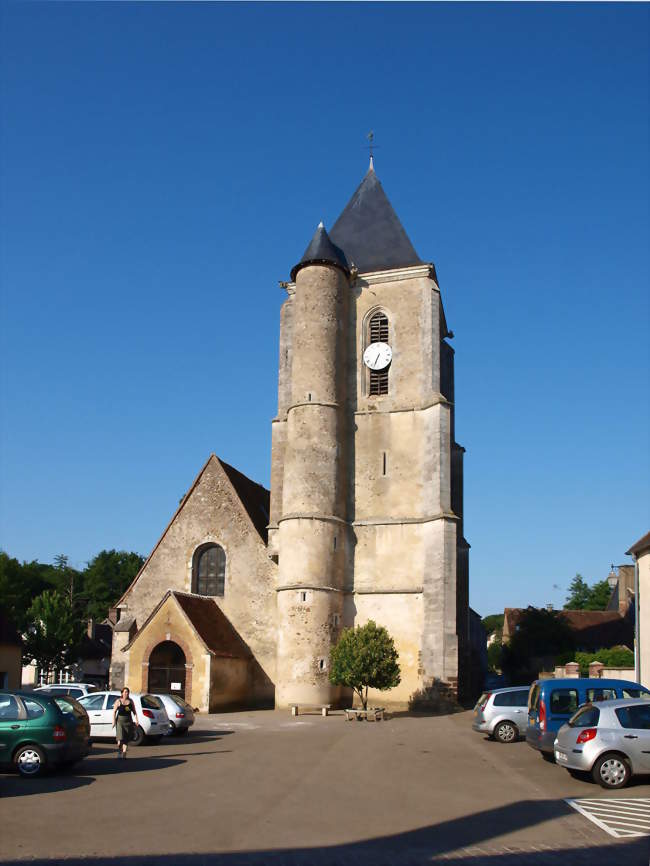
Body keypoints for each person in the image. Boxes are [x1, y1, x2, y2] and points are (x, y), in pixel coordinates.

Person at [112, 687, 138, 759]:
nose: (126, 693)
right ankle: (120, 751)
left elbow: (134, 712)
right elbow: (114, 712)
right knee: (120, 739)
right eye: (125, 692)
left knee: (126, 738)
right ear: (122, 693)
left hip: (128, 721)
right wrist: (113, 721)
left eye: (127, 692)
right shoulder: (118, 701)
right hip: (120, 721)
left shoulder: (131, 701)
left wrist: (136, 720)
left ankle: (124, 753)